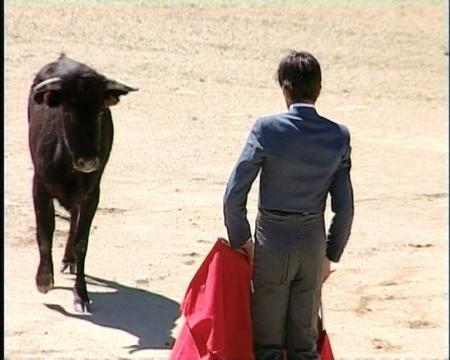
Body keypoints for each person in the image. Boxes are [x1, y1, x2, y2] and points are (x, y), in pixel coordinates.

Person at [223, 50, 354, 359]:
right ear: (319, 90)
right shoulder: (338, 136)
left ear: (284, 88)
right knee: (305, 346)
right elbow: (345, 209)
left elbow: (233, 196)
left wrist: (242, 240)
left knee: (267, 346)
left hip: (271, 243)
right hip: (312, 245)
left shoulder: (266, 129)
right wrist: (329, 255)